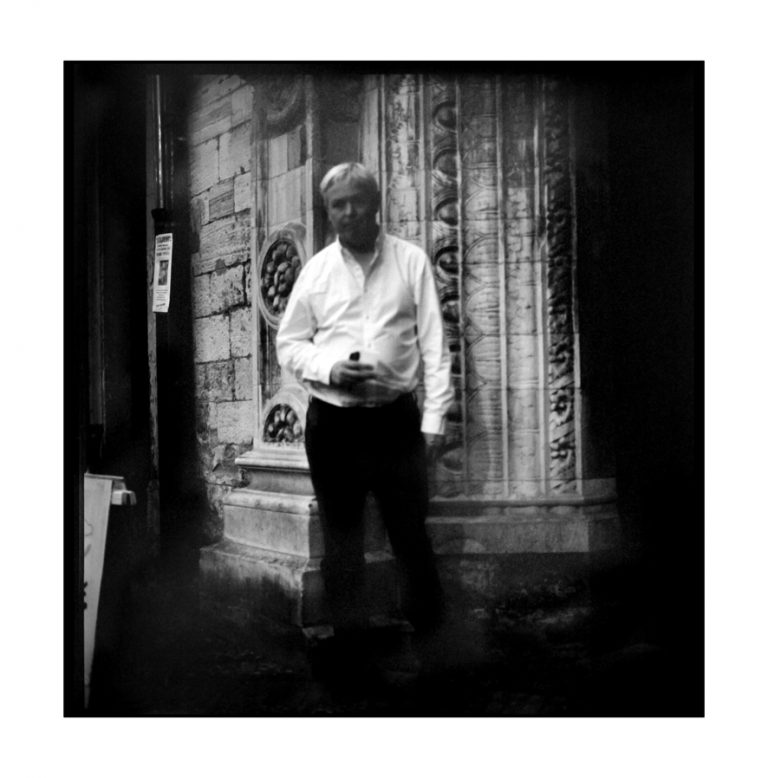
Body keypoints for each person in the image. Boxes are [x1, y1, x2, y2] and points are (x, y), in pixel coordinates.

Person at [276, 162, 453, 653]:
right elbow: (289, 344)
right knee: (342, 542)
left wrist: (434, 422)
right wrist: (330, 368)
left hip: (396, 423)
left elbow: (435, 346)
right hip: (334, 426)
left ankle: (436, 648)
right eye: (339, 204)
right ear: (328, 211)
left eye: (358, 200)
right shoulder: (316, 272)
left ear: (376, 204)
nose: (349, 211)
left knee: (410, 535)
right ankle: (352, 654)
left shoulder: (411, 262)